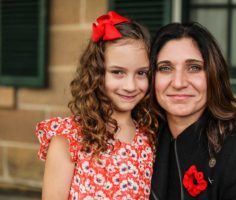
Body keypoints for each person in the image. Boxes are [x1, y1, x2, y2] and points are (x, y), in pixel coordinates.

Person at [35, 11, 158, 199]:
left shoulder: (150, 136)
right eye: (118, 72)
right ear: (96, 73)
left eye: (141, 73)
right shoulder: (69, 139)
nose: (131, 86)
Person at [149, 22, 236, 200]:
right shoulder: (146, 141)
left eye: (194, 68)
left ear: (214, 75)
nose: (178, 83)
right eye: (165, 68)